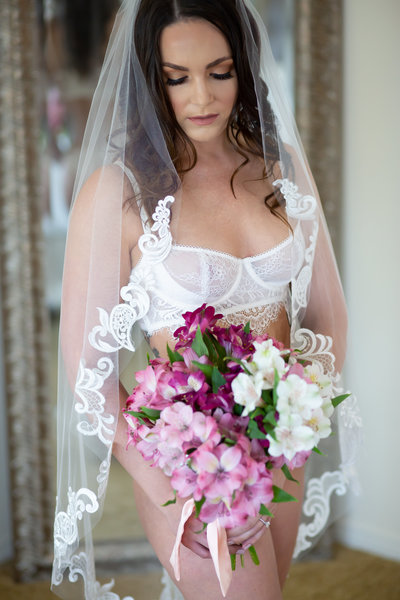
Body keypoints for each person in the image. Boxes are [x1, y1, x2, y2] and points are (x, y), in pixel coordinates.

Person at [51, 1, 361, 599]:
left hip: (281, 450)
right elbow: (88, 376)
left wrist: (288, 434)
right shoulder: (117, 192)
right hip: (190, 472)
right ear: (150, 80)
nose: (202, 96)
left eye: (220, 72)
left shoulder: (280, 169)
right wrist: (179, 490)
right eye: (177, 78)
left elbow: (328, 318)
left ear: (243, 67)